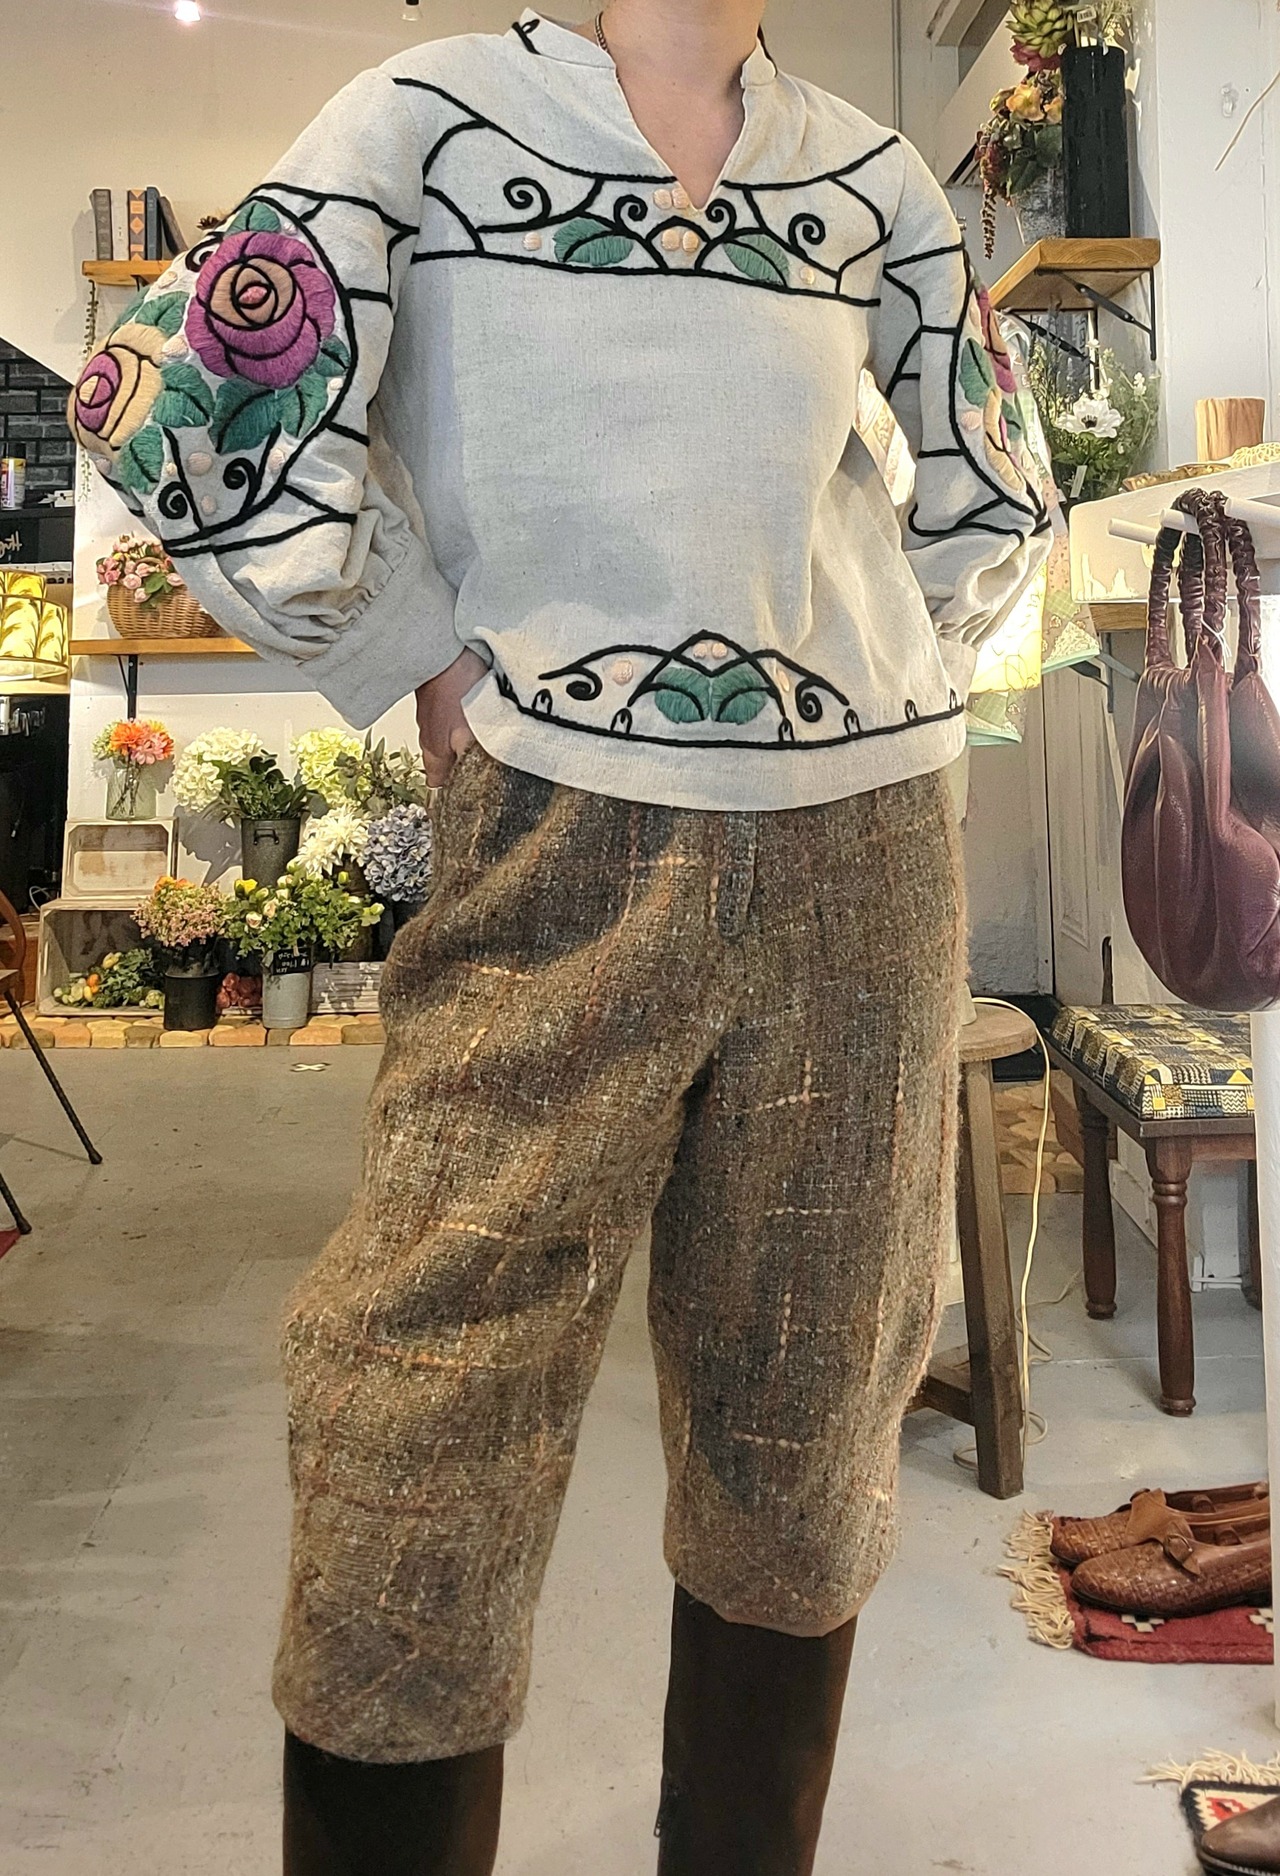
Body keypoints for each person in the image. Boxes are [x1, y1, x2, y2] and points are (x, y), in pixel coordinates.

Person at [70, 3, 1049, 1869]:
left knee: (808, 1409)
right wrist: (407, 645)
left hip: (862, 860)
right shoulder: (429, 117)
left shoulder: (868, 170)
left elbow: (995, 483)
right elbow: (176, 395)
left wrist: (889, 678)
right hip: (554, 830)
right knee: (416, 1401)